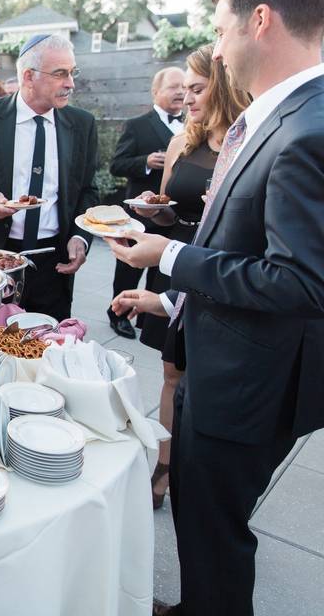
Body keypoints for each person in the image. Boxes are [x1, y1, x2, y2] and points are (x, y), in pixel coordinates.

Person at [108, 0, 324, 613]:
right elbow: (251, 245)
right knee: (202, 522)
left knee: (214, 528)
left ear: (260, 21)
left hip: (250, 384)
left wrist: (170, 257)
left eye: (223, 30)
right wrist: (170, 296)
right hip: (226, 358)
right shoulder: (283, 113)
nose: (217, 50)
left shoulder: (309, 127)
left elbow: (301, 282)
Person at [120, 45, 250, 510]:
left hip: (220, 269)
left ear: (224, 87)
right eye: (183, 91)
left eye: (196, 89)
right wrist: (151, 214)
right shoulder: (184, 139)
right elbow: (168, 207)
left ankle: (205, 471)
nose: (186, 100)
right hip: (172, 262)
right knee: (172, 373)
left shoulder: (247, 142)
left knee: (211, 380)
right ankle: (164, 465)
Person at [0, 34, 100, 321]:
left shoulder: (82, 124)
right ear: (29, 76)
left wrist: (81, 236)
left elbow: (88, 190)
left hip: (54, 264)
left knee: (46, 349)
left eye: (72, 72)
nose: (71, 83)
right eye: (60, 74)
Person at [106, 66, 186, 338]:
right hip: (139, 218)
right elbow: (116, 165)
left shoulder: (193, 125)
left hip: (174, 216)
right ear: (156, 91)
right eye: (173, 87)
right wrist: (146, 162)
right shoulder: (138, 125)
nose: (180, 92)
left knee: (160, 271)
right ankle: (118, 314)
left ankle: (149, 316)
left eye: (184, 87)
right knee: (128, 269)